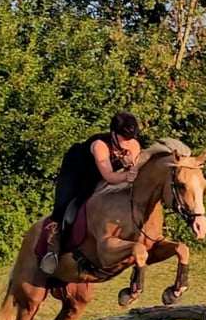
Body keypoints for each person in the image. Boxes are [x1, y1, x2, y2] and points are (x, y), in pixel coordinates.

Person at [40, 110, 142, 275]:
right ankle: (53, 248)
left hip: (103, 176)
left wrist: (131, 166)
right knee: (64, 205)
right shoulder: (99, 146)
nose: (128, 142)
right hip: (76, 173)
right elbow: (109, 176)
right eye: (123, 137)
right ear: (113, 134)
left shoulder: (133, 145)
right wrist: (127, 175)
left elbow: (133, 171)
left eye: (130, 138)